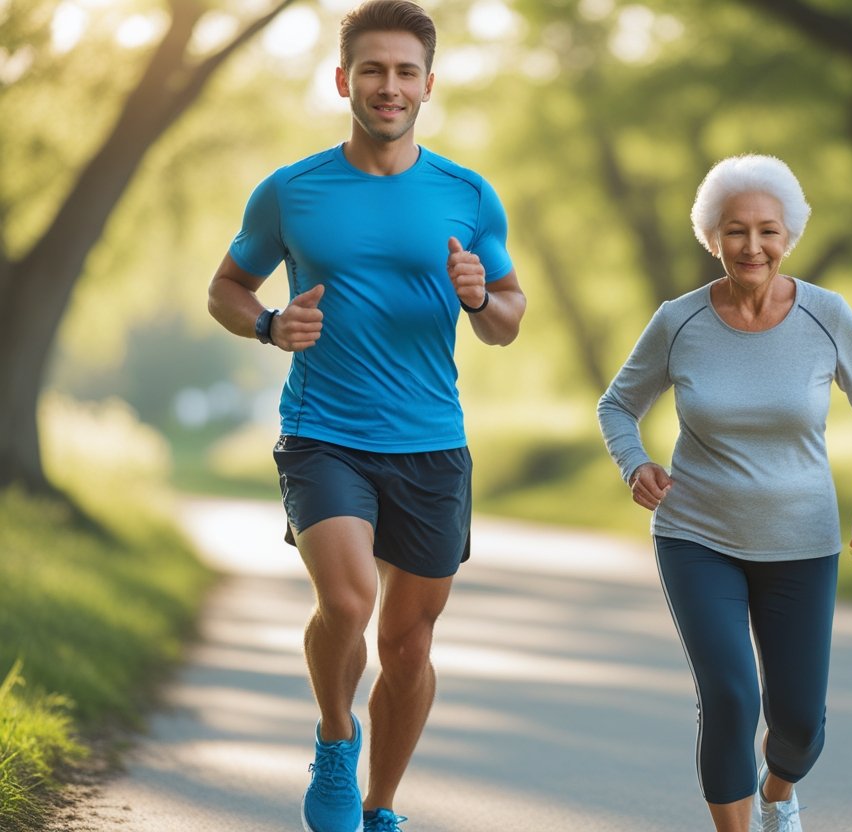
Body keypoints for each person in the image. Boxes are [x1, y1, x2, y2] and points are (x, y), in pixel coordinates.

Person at [207, 3, 526, 831]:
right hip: (324, 434)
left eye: (406, 71)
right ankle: (336, 739)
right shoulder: (293, 190)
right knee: (348, 604)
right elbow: (226, 288)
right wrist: (270, 324)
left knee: (408, 646)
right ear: (344, 80)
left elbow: (508, 320)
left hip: (432, 443)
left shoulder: (468, 194)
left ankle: (381, 808)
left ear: (428, 83)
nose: (390, 86)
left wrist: (480, 296)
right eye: (374, 71)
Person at [597, 154, 852, 832]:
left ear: (789, 235)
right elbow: (617, 405)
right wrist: (633, 463)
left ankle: (777, 792)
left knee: (799, 724)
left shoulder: (826, 315)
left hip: (802, 542)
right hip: (696, 536)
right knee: (730, 698)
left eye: (767, 230)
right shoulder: (679, 321)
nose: (753, 246)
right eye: (736, 231)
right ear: (713, 237)